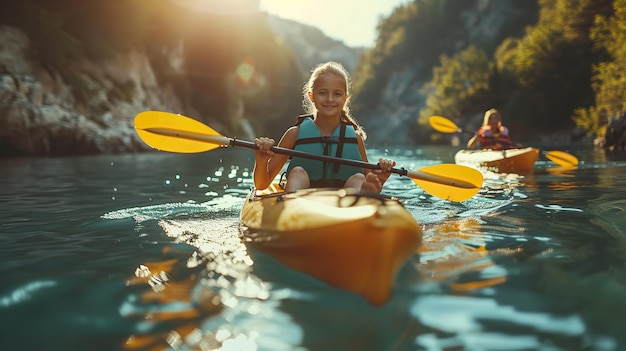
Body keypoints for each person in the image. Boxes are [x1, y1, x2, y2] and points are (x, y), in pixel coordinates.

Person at [253, 61, 396, 193]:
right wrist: (261, 161)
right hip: (301, 203)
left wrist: (381, 178)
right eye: (322, 93)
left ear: (345, 98)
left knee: (359, 178)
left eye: (337, 94)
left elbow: (372, 179)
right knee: (297, 173)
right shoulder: (294, 134)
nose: (330, 99)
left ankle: (362, 196)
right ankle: (293, 211)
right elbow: (261, 185)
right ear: (311, 96)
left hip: (345, 203)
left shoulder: (355, 137)